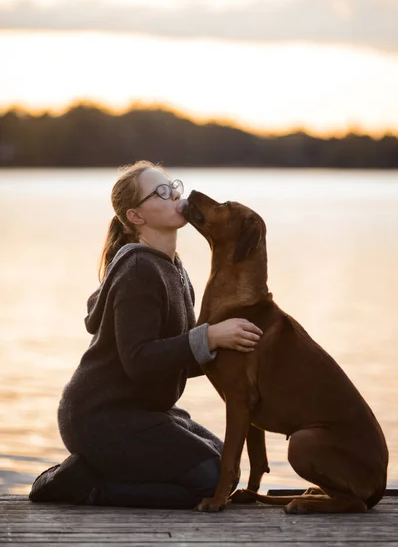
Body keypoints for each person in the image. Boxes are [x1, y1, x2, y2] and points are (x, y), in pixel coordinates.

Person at [29, 161, 263, 509]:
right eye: (162, 193)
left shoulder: (174, 268)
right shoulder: (139, 271)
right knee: (212, 479)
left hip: (145, 412)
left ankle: (103, 470)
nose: (175, 196)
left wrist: (228, 345)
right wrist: (210, 338)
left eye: (174, 187)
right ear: (136, 217)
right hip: (101, 417)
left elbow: (178, 357)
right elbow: (140, 360)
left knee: (225, 466)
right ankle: (86, 487)